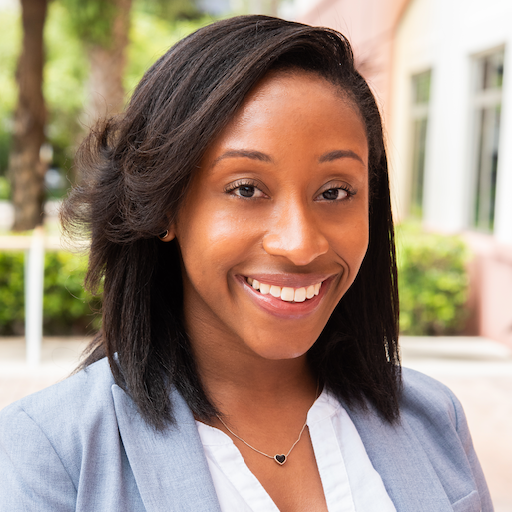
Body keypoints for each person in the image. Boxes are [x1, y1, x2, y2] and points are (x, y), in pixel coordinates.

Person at [0, 15, 493, 512]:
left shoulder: (435, 419)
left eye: (335, 191)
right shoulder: (51, 454)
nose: (300, 246)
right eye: (246, 189)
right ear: (167, 206)